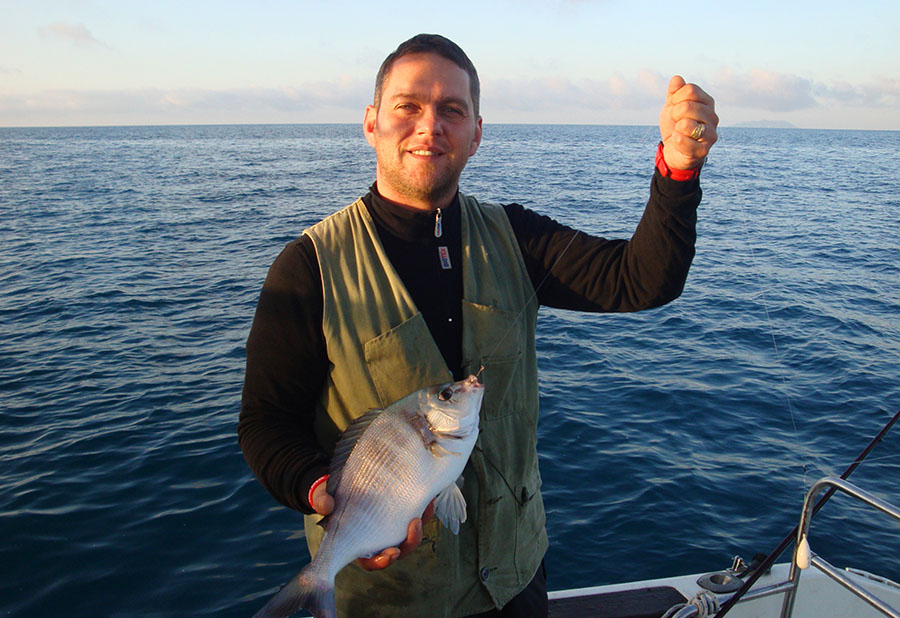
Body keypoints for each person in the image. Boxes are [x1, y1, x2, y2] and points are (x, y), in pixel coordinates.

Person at [239, 33, 718, 618]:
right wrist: (321, 490)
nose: (429, 125)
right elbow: (265, 424)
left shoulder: (516, 237)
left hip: (517, 581)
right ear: (371, 122)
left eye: (452, 110)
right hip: (389, 601)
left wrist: (678, 170)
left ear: (477, 135)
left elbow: (641, 281)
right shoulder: (308, 265)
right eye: (408, 106)